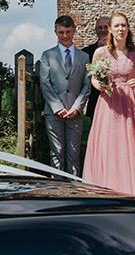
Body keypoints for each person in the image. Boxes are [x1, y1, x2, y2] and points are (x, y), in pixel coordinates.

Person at [82, 12, 135, 198]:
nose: (121, 29)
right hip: (109, 102)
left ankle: (131, 188)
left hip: (131, 103)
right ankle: (106, 186)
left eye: (124, 25)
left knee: (129, 143)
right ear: (111, 30)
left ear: (128, 28)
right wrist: (101, 86)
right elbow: (95, 80)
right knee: (109, 144)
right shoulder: (100, 53)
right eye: (117, 26)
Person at [36, 13, 93, 175]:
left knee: (73, 152)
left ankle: (74, 186)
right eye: (61, 32)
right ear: (55, 32)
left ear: (74, 31)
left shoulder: (84, 57)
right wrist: (57, 107)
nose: (65, 36)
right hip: (54, 113)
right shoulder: (48, 55)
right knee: (57, 151)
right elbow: (45, 83)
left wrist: (77, 107)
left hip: (75, 112)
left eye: (68, 31)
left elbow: (87, 84)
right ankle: (56, 185)